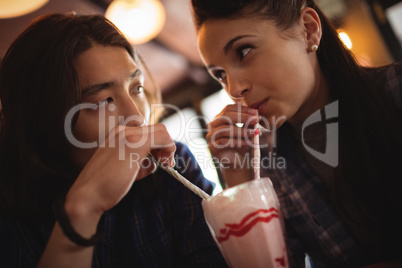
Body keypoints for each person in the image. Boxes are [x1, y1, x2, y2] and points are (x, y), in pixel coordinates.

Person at [0, 13, 228, 267]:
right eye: (103, 101)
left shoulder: (173, 166)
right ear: (45, 126)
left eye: (137, 88)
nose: (137, 118)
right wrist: (84, 206)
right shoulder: (11, 214)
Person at [191, 0, 402, 267]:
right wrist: (240, 179)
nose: (234, 89)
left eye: (243, 51)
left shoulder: (396, 91)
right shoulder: (265, 164)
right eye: (221, 75)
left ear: (308, 29)